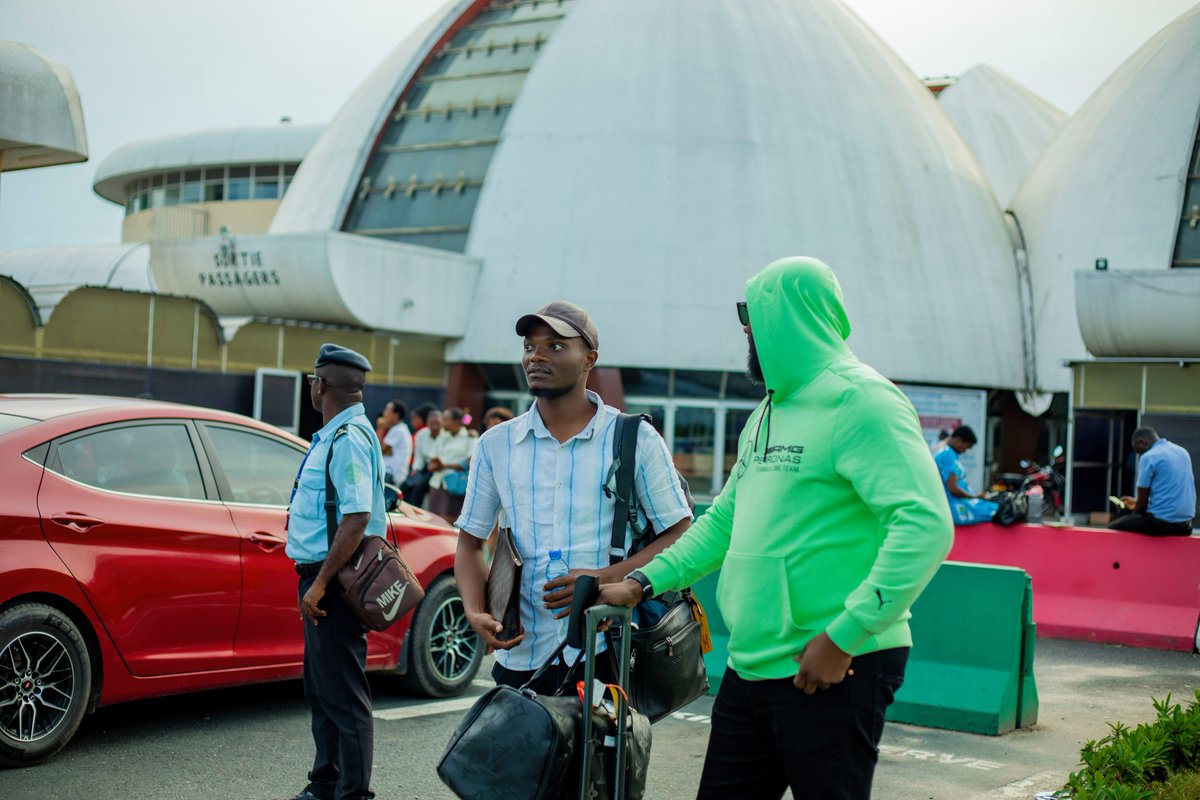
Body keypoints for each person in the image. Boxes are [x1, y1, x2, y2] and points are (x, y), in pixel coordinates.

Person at [597, 257, 953, 800]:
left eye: (752, 312)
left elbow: (925, 525)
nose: (744, 327)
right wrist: (645, 581)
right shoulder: (767, 412)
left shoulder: (862, 401)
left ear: (789, 317)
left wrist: (845, 637)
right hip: (753, 660)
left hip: (834, 662)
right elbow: (724, 523)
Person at [453, 300, 692, 695]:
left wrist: (605, 578)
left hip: (607, 650)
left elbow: (680, 535)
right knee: (516, 758)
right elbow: (470, 542)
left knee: (600, 758)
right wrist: (474, 611)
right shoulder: (496, 444)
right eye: (530, 346)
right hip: (520, 653)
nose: (537, 356)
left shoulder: (634, 438)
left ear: (589, 359)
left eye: (555, 346)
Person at [284, 343, 386, 800]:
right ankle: (324, 783)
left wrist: (321, 584)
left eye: (312, 378)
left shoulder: (348, 440)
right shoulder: (335, 434)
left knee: (344, 698)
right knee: (322, 693)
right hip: (322, 579)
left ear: (322, 385)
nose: (311, 385)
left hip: (335, 583)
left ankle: (353, 794)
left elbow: (357, 517)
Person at [1109, 427, 1195, 536]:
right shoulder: (1182, 452)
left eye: (1138, 450)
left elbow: (1141, 506)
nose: (1139, 455)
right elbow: (1169, 495)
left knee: (1113, 526)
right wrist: (1136, 502)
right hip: (1185, 526)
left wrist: (1135, 506)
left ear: (1142, 442)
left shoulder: (1149, 457)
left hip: (1162, 524)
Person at [933, 425, 999, 525]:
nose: (965, 451)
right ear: (959, 440)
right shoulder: (948, 454)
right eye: (967, 447)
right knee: (995, 510)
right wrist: (974, 496)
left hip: (953, 503)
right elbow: (953, 489)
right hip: (955, 507)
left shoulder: (943, 450)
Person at [425, 407, 476, 523]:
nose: (443, 424)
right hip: (436, 482)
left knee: (447, 521)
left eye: (446, 420)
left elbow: (470, 463)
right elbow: (432, 458)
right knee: (432, 520)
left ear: (457, 421)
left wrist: (444, 466)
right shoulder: (442, 437)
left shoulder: (469, 438)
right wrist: (433, 466)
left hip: (454, 484)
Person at [403, 408, 441, 507]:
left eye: (437, 422)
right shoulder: (422, 434)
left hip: (437, 468)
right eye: (431, 422)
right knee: (406, 485)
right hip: (424, 465)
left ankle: (414, 510)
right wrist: (416, 469)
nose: (434, 425)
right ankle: (403, 509)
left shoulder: (445, 435)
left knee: (419, 487)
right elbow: (418, 455)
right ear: (427, 422)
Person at [379, 399, 412, 509]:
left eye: (387, 410)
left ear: (396, 414)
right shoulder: (398, 429)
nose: (384, 413)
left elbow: (378, 449)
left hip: (391, 476)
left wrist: (381, 427)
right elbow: (387, 451)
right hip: (391, 475)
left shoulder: (398, 430)